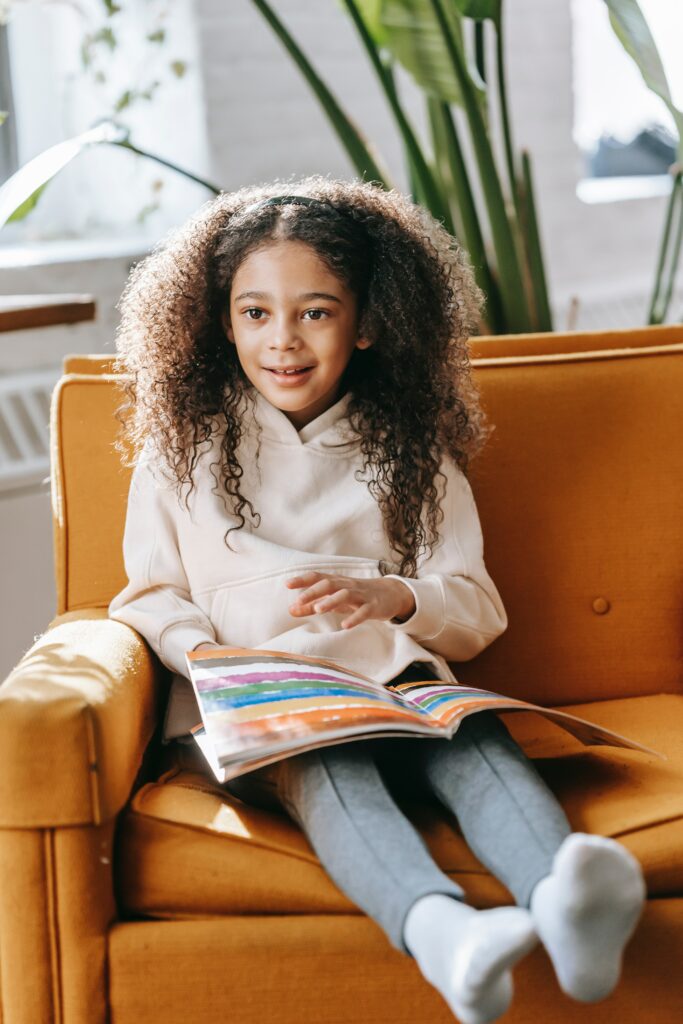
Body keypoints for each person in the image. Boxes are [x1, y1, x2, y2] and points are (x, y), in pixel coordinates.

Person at [108, 176, 646, 1024]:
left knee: (476, 744)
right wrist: (206, 656)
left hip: (396, 684)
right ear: (221, 321)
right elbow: (148, 596)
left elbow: (473, 608)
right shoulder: (182, 450)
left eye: (315, 312)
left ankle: (563, 903)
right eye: (255, 313)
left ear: (365, 323)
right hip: (267, 702)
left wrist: (391, 594)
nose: (282, 341)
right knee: (330, 764)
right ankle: (443, 934)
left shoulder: (413, 451)